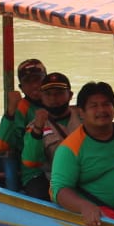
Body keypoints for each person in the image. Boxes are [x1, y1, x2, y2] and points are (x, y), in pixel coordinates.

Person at [50, 81, 114, 226]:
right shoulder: (69, 148)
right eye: (94, 106)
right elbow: (59, 190)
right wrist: (84, 206)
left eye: (106, 104)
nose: (101, 110)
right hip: (102, 212)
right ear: (81, 112)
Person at [19, 72, 81, 201]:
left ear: (70, 95)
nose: (53, 99)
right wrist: (38, 128)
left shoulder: (83, 116)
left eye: (59, 93)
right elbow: (31, 160)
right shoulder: (35, 126)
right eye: (48, 94)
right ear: (41, 97)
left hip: (89, 174)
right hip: (57, 180)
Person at [0, 57, 46, 155]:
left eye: (37, 80)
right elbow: (1, 145)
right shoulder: (21, 109)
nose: (34, 86)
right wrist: (11, 111)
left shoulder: (57, 102)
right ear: (21, 88)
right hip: (34, 167)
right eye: (28, 82)